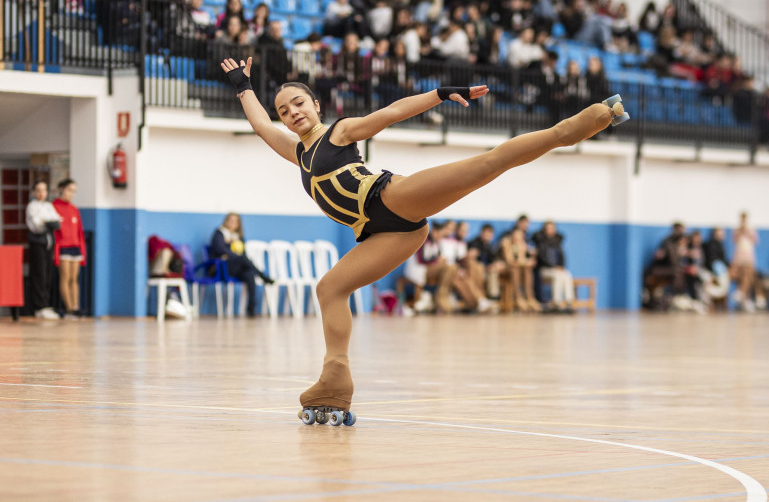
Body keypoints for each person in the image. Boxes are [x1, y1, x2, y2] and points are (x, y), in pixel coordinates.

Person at [220, 54, 621, 419]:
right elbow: (259, 125)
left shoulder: (339, 133)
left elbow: (391, 112)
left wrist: (441, 93)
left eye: (299, 104)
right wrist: (243, 85)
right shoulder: (298, 154)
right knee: (329, 289)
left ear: (317, 105)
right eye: (284, 111)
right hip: (381, 235)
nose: (292, 113)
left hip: (393, 200)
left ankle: (574, 127)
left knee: (487, 164)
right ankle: (335, 378)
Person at [209, 213, 273, 317]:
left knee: (250, 273)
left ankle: (251, 308)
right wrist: (231, 248)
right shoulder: (219, 233)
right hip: (222, 267)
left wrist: (235, 253)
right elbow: (220, 249)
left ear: (238, 224)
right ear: (226, 221)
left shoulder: (238, 237)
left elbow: (243, 252)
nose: (232, 223)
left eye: (235, 221)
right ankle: (262, 275)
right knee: (242, 258)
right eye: (230, 220)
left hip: (236, 267)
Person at [26, 180, 62, 320]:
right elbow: (37, 224)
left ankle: (46, 305)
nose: (42, 193)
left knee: (48, 274)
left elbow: (57, 222)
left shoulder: (48, 205)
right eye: (39, 190)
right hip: (37, 243)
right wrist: (48, 222)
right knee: (39, 274)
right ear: (34, 192)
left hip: (49, 242)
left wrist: (47, 221)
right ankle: (39, 306)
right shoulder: (31, 206)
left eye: (44, 190)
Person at [52, 179, 86, 319]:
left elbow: (80, 232)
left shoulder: (74, 209)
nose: (71, 194)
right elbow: (55, 233)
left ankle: (75, 307)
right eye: (69, 190)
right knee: (65, 278)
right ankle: (68, 309)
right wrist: (56, 251)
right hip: (63, 248)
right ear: (61, 189)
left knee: (74, 279)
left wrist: (83, 252)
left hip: (75, 247)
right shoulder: (54, 207)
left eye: (74, 191)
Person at [533, 221, 573, 311]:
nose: (550, 230)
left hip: (557, 268)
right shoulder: (541, 241)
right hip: (545, 269)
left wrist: (561, 266)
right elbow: (542, 257)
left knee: (567, 274)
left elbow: (562, 256)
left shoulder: (557, 242)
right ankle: (557, 302)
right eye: (548, 228)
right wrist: (553, 266)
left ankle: (568, 301)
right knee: (557, 276)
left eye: (552, 228)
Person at [731, 212, 760, 311]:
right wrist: (740, 231)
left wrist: (747, 231)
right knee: (743, 277)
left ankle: (742, 293)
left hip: (748, 256)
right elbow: (734, 241)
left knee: (749, 276)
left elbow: (755, 241)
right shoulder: (737, 230)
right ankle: (744, 299)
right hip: (739, 256)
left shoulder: (751, 229)